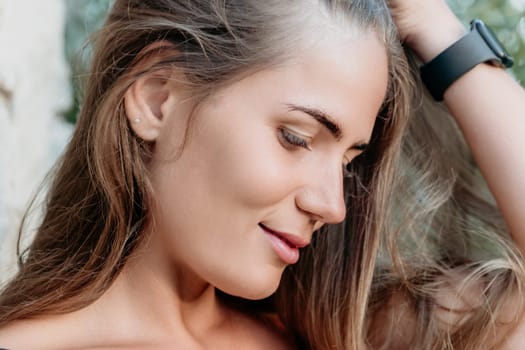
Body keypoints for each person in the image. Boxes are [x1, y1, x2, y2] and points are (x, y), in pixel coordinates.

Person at [0, 0, 524, 348]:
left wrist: (436, 27)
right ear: (158, 98)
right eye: (296, 138)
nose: (333, 205)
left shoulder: (342, 332)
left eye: (348, 162)